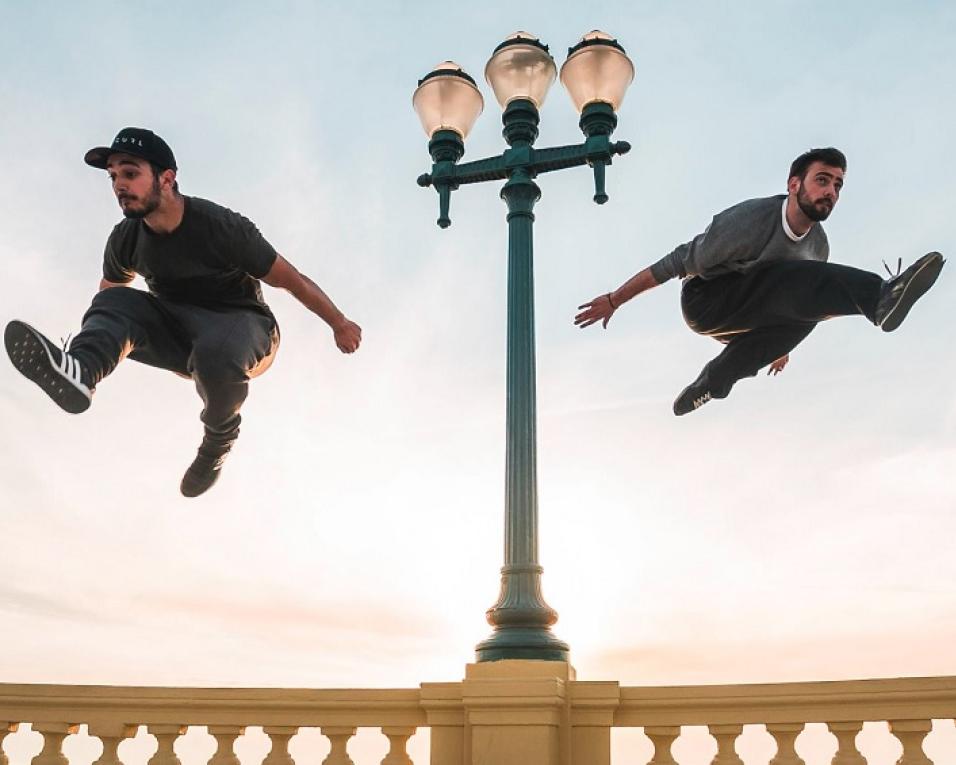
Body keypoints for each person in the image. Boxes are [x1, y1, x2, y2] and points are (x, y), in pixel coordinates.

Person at [4, 127, 362, 497]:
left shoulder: (222, 227)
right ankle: (80, 371)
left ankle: (217, 444)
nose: (119, 186)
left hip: (245, 330)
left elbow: (292, 281)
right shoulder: (126, 237)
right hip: (179, 334)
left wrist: (339, 323)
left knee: (216, 348)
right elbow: (110, 301)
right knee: (112, 301)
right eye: (113, 177)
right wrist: (95, 347)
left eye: (130, 173)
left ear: (167, 178)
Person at [574, 147, 944, 415]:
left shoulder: (818, 247)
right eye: (821, 181)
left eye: (837, 185)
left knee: (812, 307)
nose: (830, 192)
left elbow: (803, 299)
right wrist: (615, 299)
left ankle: (712, 383)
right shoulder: (749, 220)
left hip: (752, 317)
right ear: (794, 183)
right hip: (708, 300)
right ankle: (880, 296)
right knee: (803, 281)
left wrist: (778, 347)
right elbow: (674, 263)